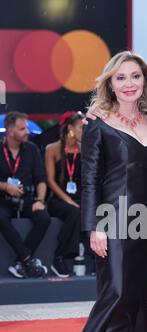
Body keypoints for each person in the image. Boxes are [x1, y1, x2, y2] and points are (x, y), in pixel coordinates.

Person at [45, 51, 147, 332]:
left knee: (134, 299)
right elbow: (90, 179)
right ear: (109, 84)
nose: (129, 84)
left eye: (135, 77)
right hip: (112, 223)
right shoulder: (98, 123)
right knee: (114, 298)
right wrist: (93, 226)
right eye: (120, 78)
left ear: (145, 80)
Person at [0, 111, 50, 278]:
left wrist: (40, 200)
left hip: (26, 198)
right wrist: (6, 186)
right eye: (22, 129)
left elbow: (41, 179)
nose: (27, 132)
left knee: (43, 217)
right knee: (1, 217)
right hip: (3, 199)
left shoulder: (32, 149)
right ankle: (28, 261)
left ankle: (19, 262)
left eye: (27, 128)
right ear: (10, 130)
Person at [45, 111, 86, 277]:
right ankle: (59, 257)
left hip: (79, 196)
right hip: (58, 199)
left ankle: (93, 256)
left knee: (94, 211)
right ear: (70, 128)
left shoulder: (84, 148)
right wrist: (68, 200)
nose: (85, 131)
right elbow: (50, 181)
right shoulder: (53, 148)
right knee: (75, 212)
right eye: (81, 127)